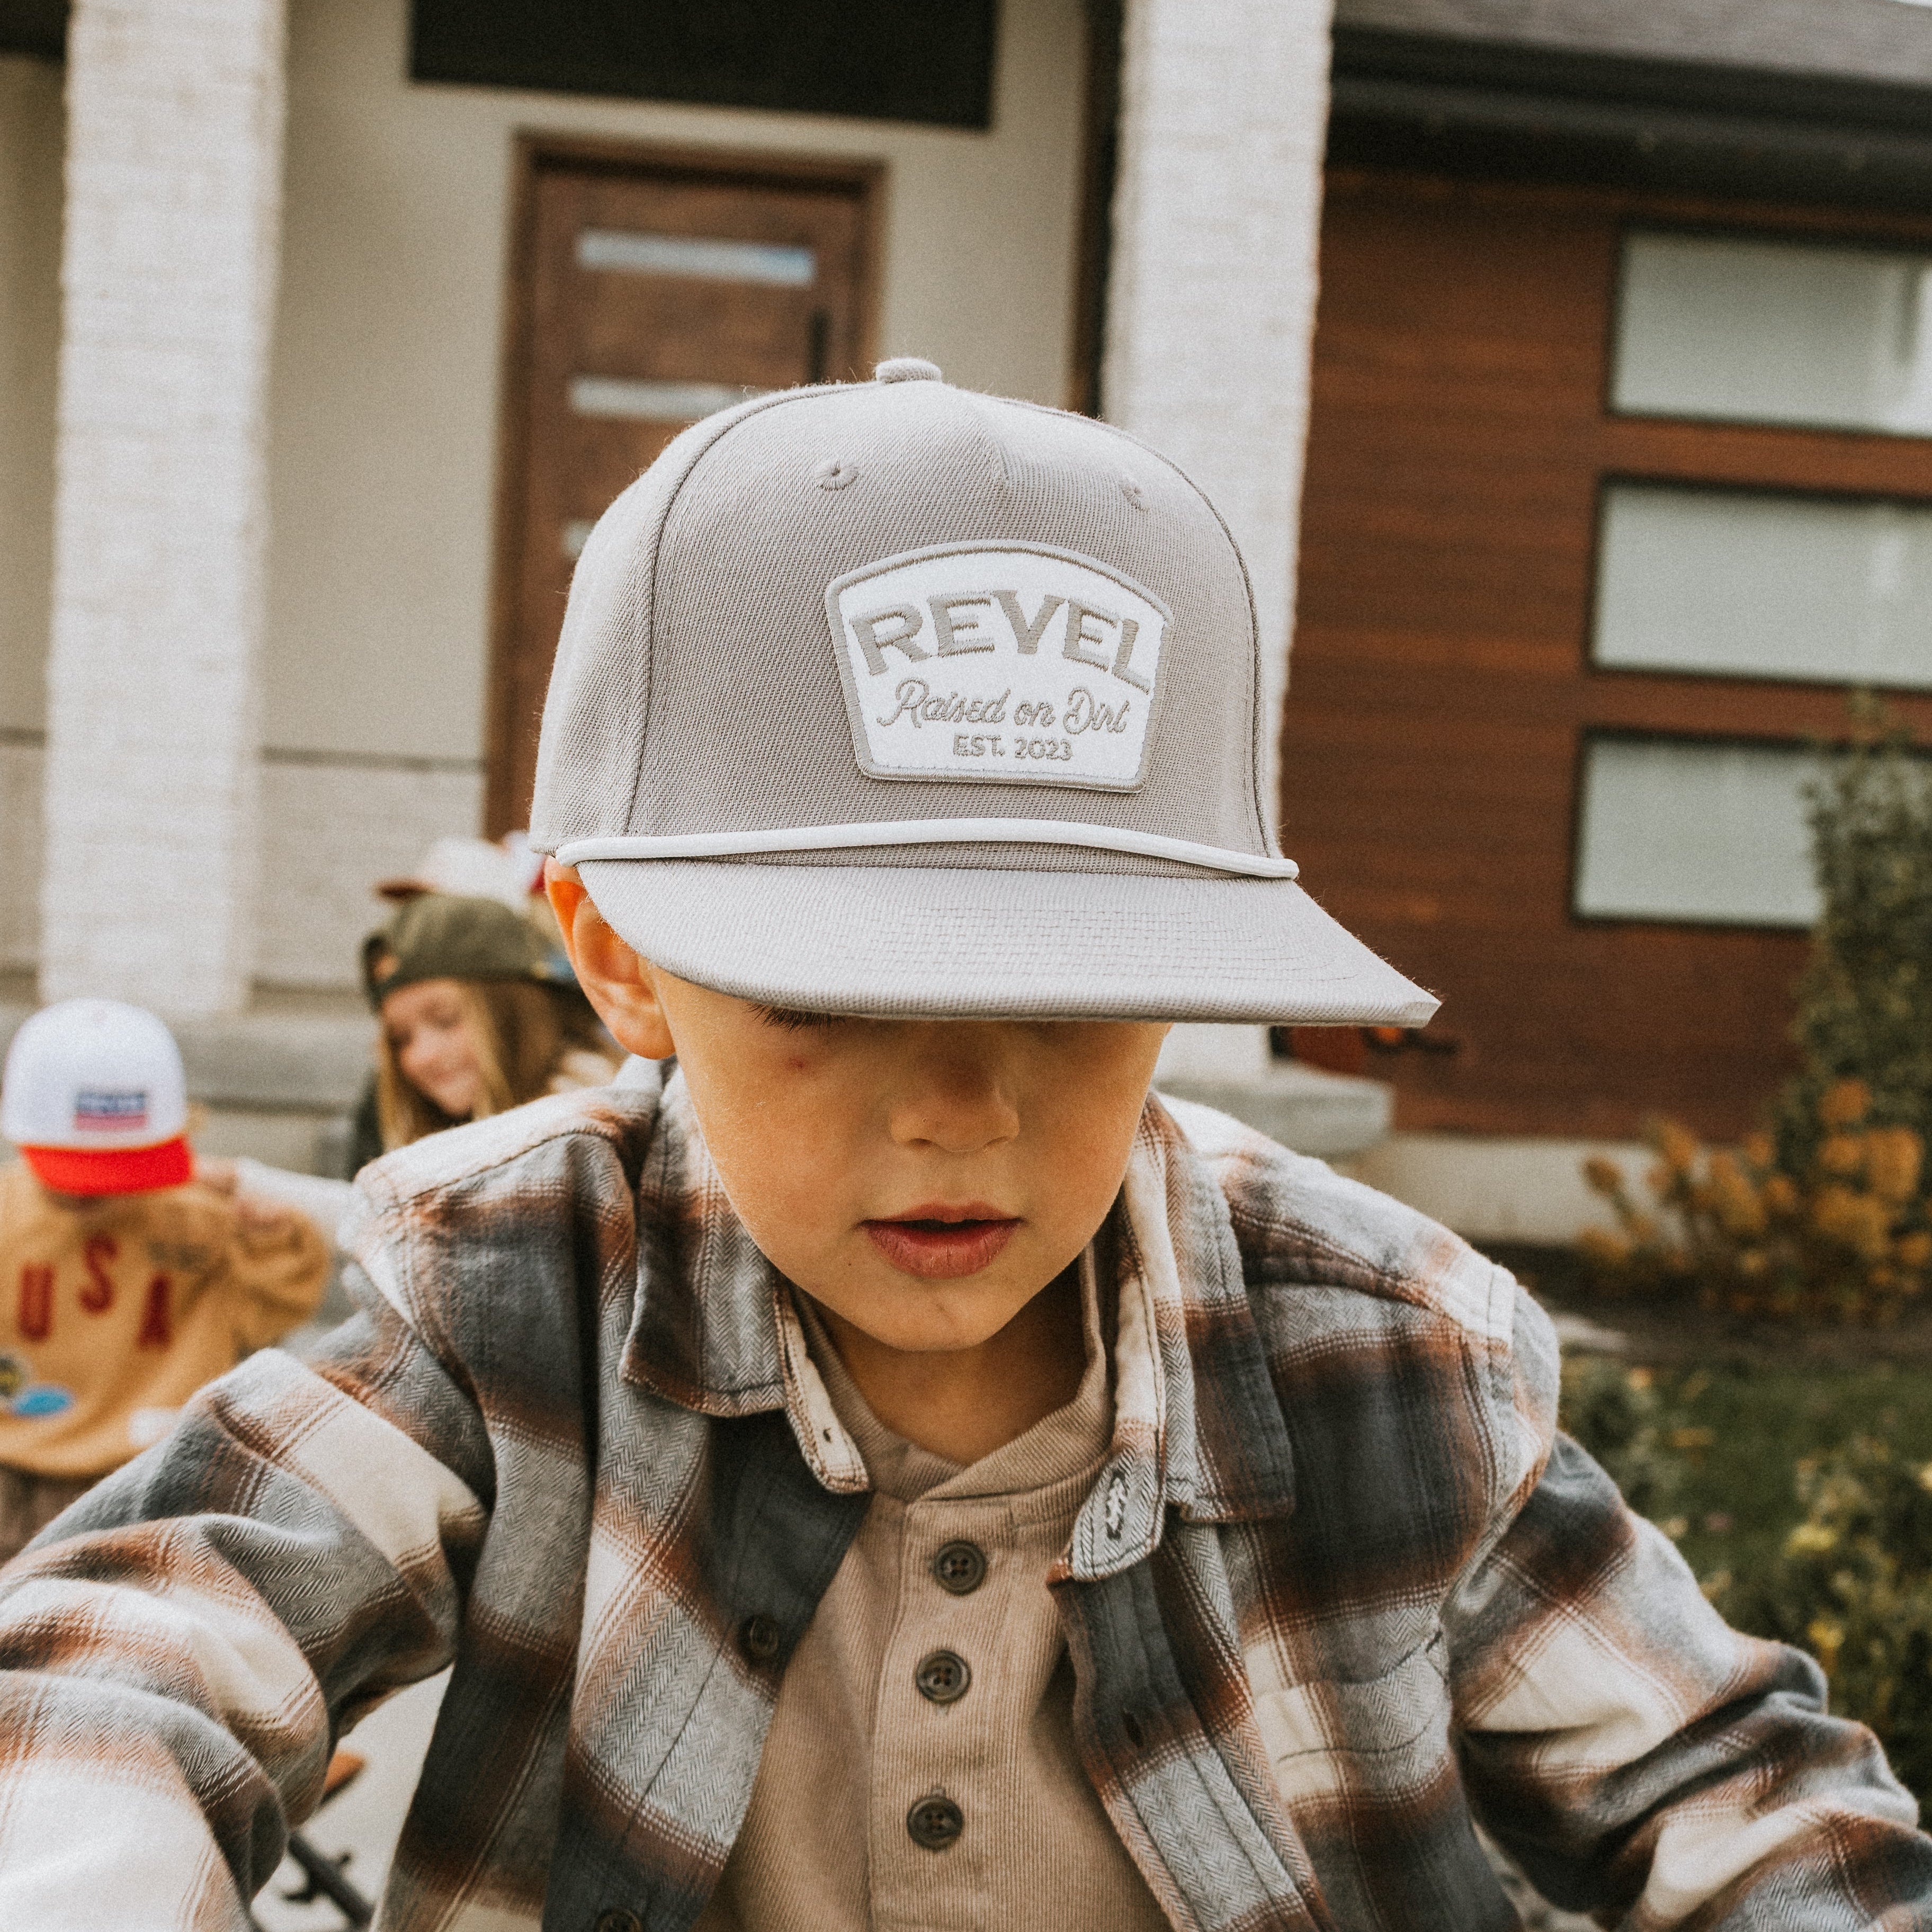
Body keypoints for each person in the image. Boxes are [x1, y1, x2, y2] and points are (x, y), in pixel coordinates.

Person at [0, 360, 1925, 1929]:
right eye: (826, 999)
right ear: (616, 958)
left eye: (1075, 998)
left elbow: (1739, 1800)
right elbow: (131, 1652)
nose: (955, 1116)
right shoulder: (517, 1295)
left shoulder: (1380, 1354)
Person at [0, 999, 328, 1561]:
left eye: (116, 1169)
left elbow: (274, 1309)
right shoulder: (8, 1211)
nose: (91, 1191)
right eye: (74, 1170)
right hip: (11, 1472)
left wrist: (271, 1235)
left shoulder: (198, 1217)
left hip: (154, 1477)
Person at [354, 889, 618, 1167]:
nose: (424, 1056)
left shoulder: (585, 1124)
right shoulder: (397, 1127)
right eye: (401, 1039)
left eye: (446, 1020)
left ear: (517, 1015)